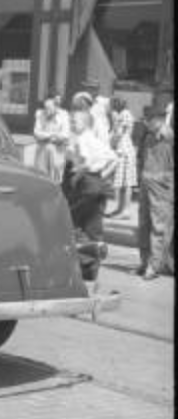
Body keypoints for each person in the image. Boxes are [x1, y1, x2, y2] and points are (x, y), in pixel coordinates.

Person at [63, 101, 116, 285]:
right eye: (70, 120)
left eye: (74, 121)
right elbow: (113, 158)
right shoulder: (91, 139)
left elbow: (83, 162)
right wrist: (101, 176)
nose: (71, 124)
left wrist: (79, 175)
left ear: (85, 123)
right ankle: (90, 270)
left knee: (75, 225)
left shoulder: (82, 139)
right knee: (91, 227)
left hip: (85, 185)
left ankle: (87, 261)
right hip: (95, 184)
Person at [136, 104, 174, 280]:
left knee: (158, 227)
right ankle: (144, 262)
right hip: (146, 183)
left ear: (159, 119)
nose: (145, 122)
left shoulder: (168, 136)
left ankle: (154, 265)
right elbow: (142, 158)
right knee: (144, 225)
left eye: (148, 119)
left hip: (161, 187)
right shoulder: (149, 135)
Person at [106, 96, 137, 218]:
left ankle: (126, 211)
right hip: (123, 149)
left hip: (124, 151)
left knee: (126, 182)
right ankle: (120, 209)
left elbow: (118, 133)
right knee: (122, 183)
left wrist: (110, 142)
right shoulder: (124, 114)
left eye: (112, 104)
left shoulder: (124, 114)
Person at [33, 88, 70, 183]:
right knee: (41, 179)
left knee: (56, 180)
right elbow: (37, 133)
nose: (58, 103)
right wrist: (52, 135)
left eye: (59, 101)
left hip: (58, 152)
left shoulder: (64, 114)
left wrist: (47, 137)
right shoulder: (40, 113)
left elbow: (65, 135)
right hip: (42, 153)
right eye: (56, 100)